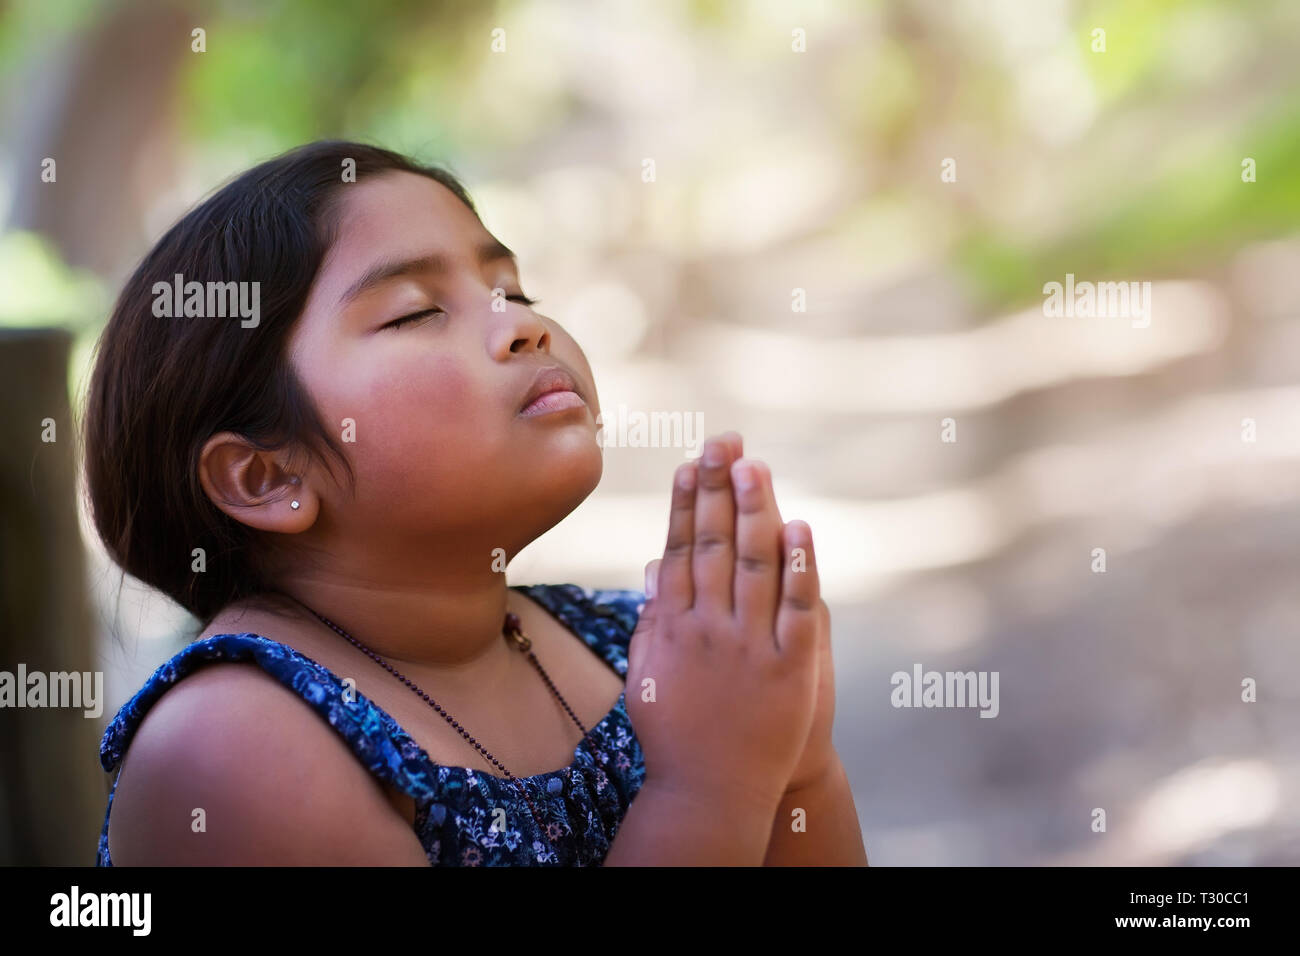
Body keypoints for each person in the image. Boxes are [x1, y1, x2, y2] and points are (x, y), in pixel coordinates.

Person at [81, 140, 867, 865]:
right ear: (267, 478)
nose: (523, 325)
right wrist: (709, 789)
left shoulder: (630, 649)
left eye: (512, 288)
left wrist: (798, 769)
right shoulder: (229, 747)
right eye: (418, 310)